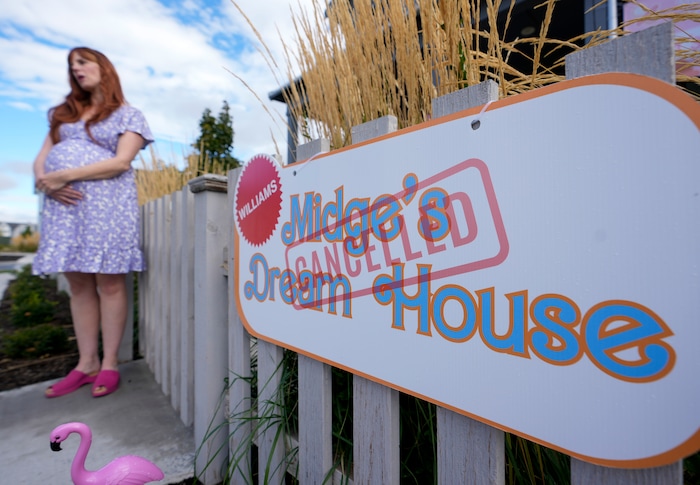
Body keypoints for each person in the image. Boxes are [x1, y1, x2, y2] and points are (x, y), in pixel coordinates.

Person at [32, 47, 153, 398]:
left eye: (83, 62)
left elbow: (121, 162)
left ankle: (110, 363)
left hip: (108, 207)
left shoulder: (129, 114)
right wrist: (47, 182)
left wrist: (63, 175)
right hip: (64, 207)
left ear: (104, 67)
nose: (77, 69)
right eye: (73, 66)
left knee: (110, 283)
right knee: (78, 283)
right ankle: (86, 363)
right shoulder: (64, 115)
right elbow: (42, 160)